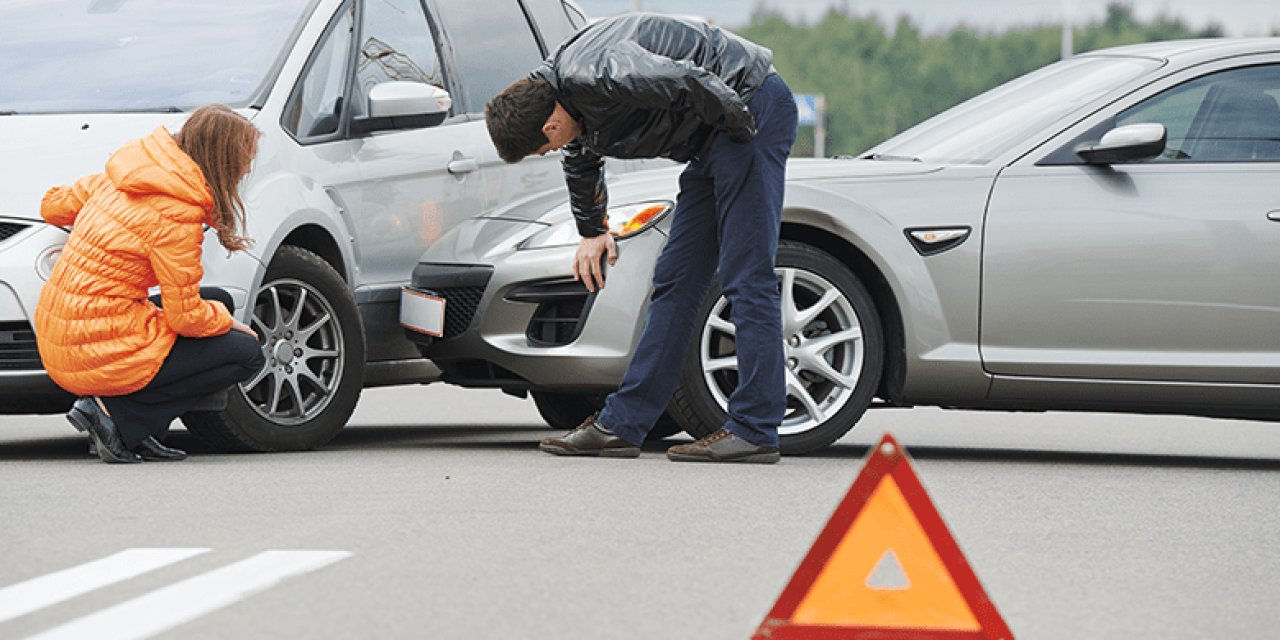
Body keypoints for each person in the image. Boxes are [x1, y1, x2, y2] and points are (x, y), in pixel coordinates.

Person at [485, 13, 798, 463]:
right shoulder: (561, 95)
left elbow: (689, 80)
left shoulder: (600, 73)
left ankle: (755, 428)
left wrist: (742, 135)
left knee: (744, 272)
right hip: (716, 137)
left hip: (747, 111)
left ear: (549, 126)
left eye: (544, 148)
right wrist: (591, 231)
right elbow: (581, 157)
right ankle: (623, 424)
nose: (552, 151)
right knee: (675, 278)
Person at [34, 104, 266, 464]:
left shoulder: (127, 175)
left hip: (60, 328)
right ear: (221, 160)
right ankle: (119, 418)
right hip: (93, 344)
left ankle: (132, 427)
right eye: (243, 159)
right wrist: (228, 322)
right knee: (247, 353)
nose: (248, 168)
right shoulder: (177, 215)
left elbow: (51, 206)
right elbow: (185, 317)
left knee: (218, 299)